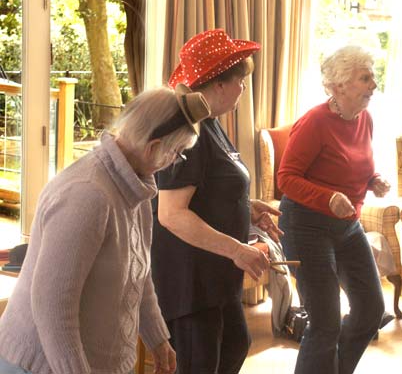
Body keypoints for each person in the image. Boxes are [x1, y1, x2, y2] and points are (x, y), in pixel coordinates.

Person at [0, 85, 211, 374]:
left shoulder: (136, 187)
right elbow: (52, 305)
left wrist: (157, 338)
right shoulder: (87, 195)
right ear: (154, 147)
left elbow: (139, 273)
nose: (174, 161)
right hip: (42, 365)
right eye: (177, 153)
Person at [151, 29, 282, 374]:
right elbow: (171, 214)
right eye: (241, 82)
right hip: (191, 281)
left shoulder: (209, 123)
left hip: (216, 276)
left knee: (236, 345)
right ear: (219, 84)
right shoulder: (185, 127)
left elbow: (210, 188)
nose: (243, 89)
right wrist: (239, 250)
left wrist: (246, 207)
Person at [277, 45, 390, 374]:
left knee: (371, 309)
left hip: (347, 226)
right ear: (339, 85)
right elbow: (286, 178)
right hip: (305, 226)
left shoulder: (364, 119)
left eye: (372, 77)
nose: (373, 85)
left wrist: (374, 180)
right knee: (325, 323)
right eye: (365, 78)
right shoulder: (314, 122)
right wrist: (327, 198)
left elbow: (355, 166)